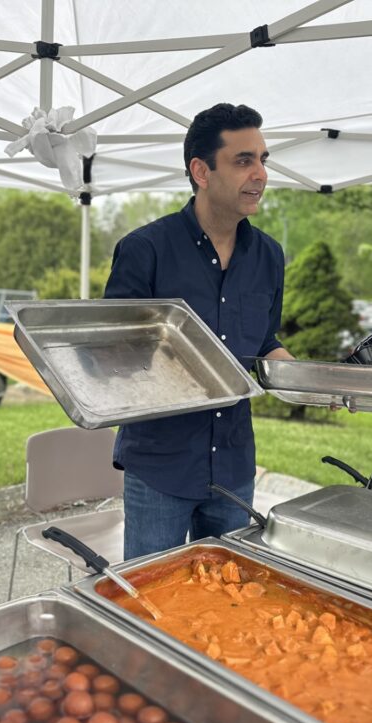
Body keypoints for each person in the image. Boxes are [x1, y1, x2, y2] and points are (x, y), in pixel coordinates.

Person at [104, 103, 296, 559]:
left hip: (233, 466)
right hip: (160, 469)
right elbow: (115, 355)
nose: (260, 174)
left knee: (228, 597)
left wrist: (309, 380)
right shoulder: (144, 250)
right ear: (201, 171)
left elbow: (265, 342)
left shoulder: (269, 256)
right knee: (150, 601)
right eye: (243, 160)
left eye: (263, 160)